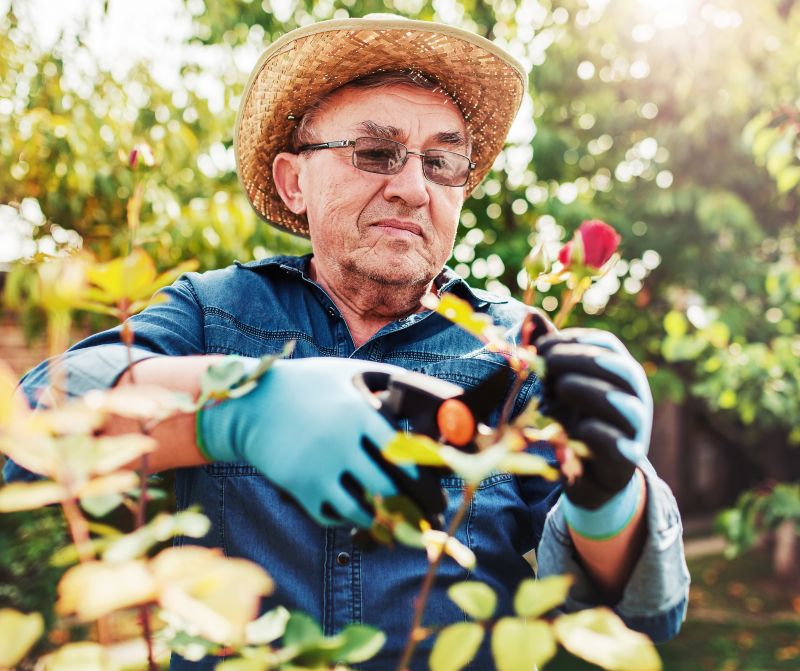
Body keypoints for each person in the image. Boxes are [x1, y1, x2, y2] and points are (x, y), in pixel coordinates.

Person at [5, 15, 689, 670]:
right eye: (375, 152)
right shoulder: (209, 314)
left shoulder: (521, 355)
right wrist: (234, 409)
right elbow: (36, 428)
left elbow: (646, 613)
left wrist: (608, 494)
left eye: (444, 161)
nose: (414, 188)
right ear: (293, 181)